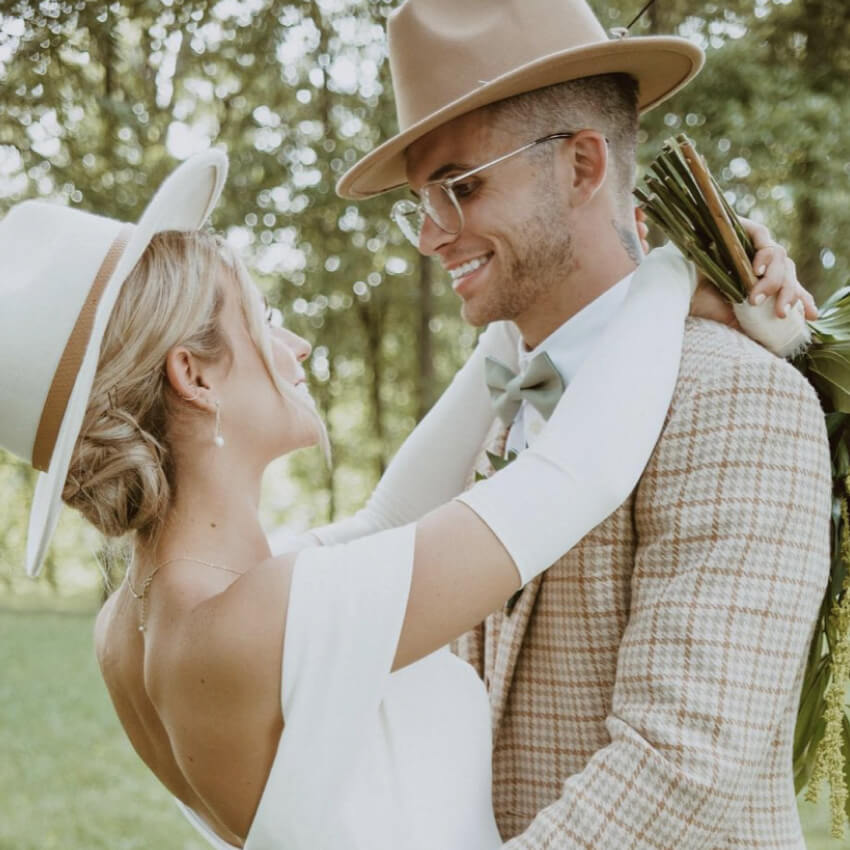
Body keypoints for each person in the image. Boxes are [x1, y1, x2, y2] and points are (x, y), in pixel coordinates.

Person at [0, 143, 812, 848]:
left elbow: (387, 521)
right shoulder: (263, 618)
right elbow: (580, 474)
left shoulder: (136, 626)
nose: (297, 344)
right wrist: (673, 270)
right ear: (195, 375)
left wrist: (527, 308)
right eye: (264, 316)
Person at [303, 1, 832, 848]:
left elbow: (681, 769)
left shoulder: (737, 397)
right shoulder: (494, 406)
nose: (430, 237)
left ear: (582, 166)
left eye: (458, 186)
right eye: (419, 203)